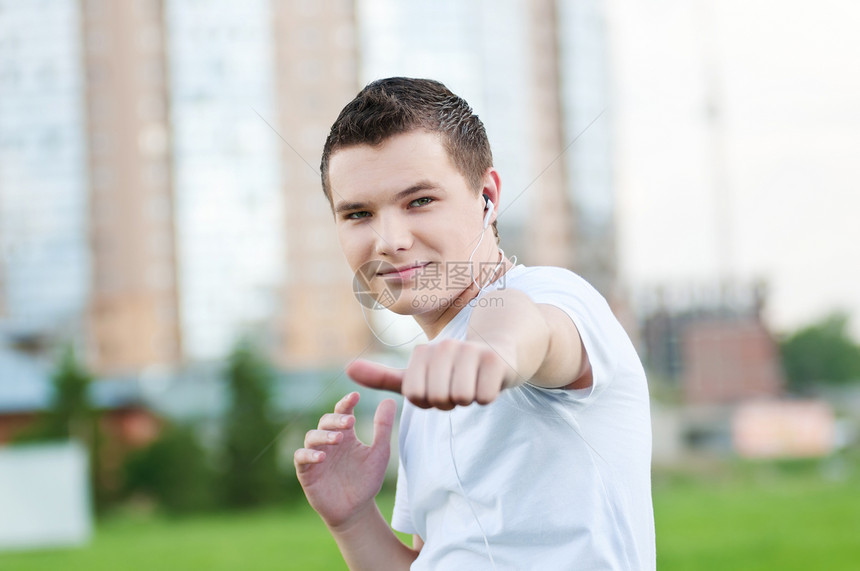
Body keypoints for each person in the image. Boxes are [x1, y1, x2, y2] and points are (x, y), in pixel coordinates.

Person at [294, 77, 655, 570]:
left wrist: (495, 355)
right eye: (358, 213)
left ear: (487, 195)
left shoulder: (550, 296)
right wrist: (352, 519)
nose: (389, 240)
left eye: (419, 200)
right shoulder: (432, 379)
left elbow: (527, 328)